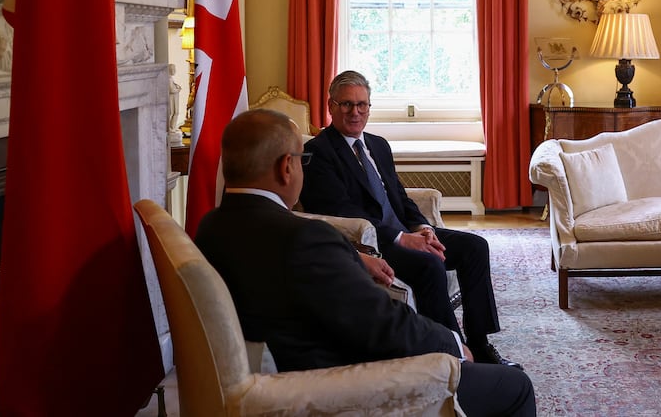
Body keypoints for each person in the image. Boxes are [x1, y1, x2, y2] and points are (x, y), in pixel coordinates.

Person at [195, 109, 536, 416]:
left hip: (278, 369)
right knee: (515, 387)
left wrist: (359, 252)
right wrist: (451, 343)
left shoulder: (209, 226)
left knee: (472, 248)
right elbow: (383, 326)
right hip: (334, 383)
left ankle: (478, 339)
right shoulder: (305, 239)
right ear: (287, 167)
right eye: (301, 161)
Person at [300, 70, 519, 368]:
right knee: (429, 265)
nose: (355, 112)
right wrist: (402, 238)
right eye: (346, 104)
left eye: (362, 104)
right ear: (331, 106)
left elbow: (400, 197)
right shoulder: (318, 152)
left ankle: (479, 344)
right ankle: (454, 353)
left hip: (406, 231)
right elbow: (341, 211)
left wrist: (423, 227)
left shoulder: (378, 145)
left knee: (475, 247)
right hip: (373, 244)